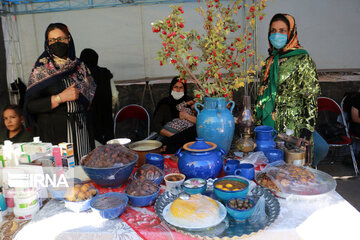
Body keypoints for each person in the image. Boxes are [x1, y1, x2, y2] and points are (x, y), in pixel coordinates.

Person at [254, 13, 325, 167]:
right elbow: (262, 94)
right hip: (270, 129)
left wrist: (306, 133)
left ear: (291, 32)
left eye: (282, 30)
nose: (276, 35)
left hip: (293, 129)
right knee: (269, 174)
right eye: (273, 31)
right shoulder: (270, 61)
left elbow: (311, 100)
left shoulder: (302, 59)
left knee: (294, 177)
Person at [24, 23, 96, 164]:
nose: (57, 43)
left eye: (61, 39)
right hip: (55, 132)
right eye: (52, 40)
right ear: (47, 43)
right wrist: (59, 98)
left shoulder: (81, 66)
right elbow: (30, 105)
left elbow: (91, 97)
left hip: (82, 129)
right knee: (64, 174)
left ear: (69, 39)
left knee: (85, 169)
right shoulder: (42, 69)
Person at [152, 76, 197, 153]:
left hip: (187, 137)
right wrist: (174, 137)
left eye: (181, 87)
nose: (178, 90)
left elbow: (199, 122)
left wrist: (186, 116)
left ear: (184, 89)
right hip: (169, 136)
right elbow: (156, 125)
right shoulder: (165, 103)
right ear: (171, 88)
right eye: (176, 87)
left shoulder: (190, 102)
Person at [80, 48, 114, 145]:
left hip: (89, 117)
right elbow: (115, 96)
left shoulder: (81, 75)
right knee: (108, 147)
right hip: (106, 114)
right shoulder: (105, 73)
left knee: (91, 146)